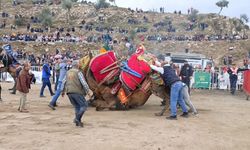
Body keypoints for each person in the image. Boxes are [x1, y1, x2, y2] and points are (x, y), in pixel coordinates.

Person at [61, 60, 90, 127]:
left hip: (69, 92)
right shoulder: (78, 72)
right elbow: (83, 83)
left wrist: (63, 91)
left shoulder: (68, 72)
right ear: (77, 65)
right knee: (84, 105)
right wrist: (88, 90)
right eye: (79, 64)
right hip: (77, 91)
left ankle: (78, 122)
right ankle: (77, 119)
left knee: (77, 106)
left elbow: (63, 82)